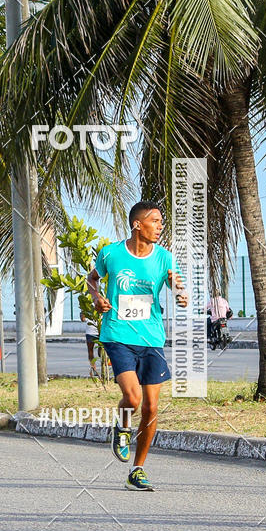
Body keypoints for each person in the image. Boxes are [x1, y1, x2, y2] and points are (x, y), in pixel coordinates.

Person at [87, 201, 188, 491]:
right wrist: (97, 298)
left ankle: (137, 469)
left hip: (151, 338)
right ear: (137, 225)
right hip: (118, 335)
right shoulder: (111, 253)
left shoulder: (164, 258)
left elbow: (177, 286)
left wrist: (180, 293)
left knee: (151, 407)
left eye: (161, 222)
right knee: (132, 398)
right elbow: (92, 279)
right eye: (155, 221)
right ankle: (122, 427)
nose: (160, 227)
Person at [80, 312, 99, 376]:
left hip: (100, 331)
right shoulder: (87, 307)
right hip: (90, 332)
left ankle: (103, 367)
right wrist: (82, 313)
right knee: (90, 351)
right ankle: (94, 368)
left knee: (101, 350)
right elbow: (83, 319)